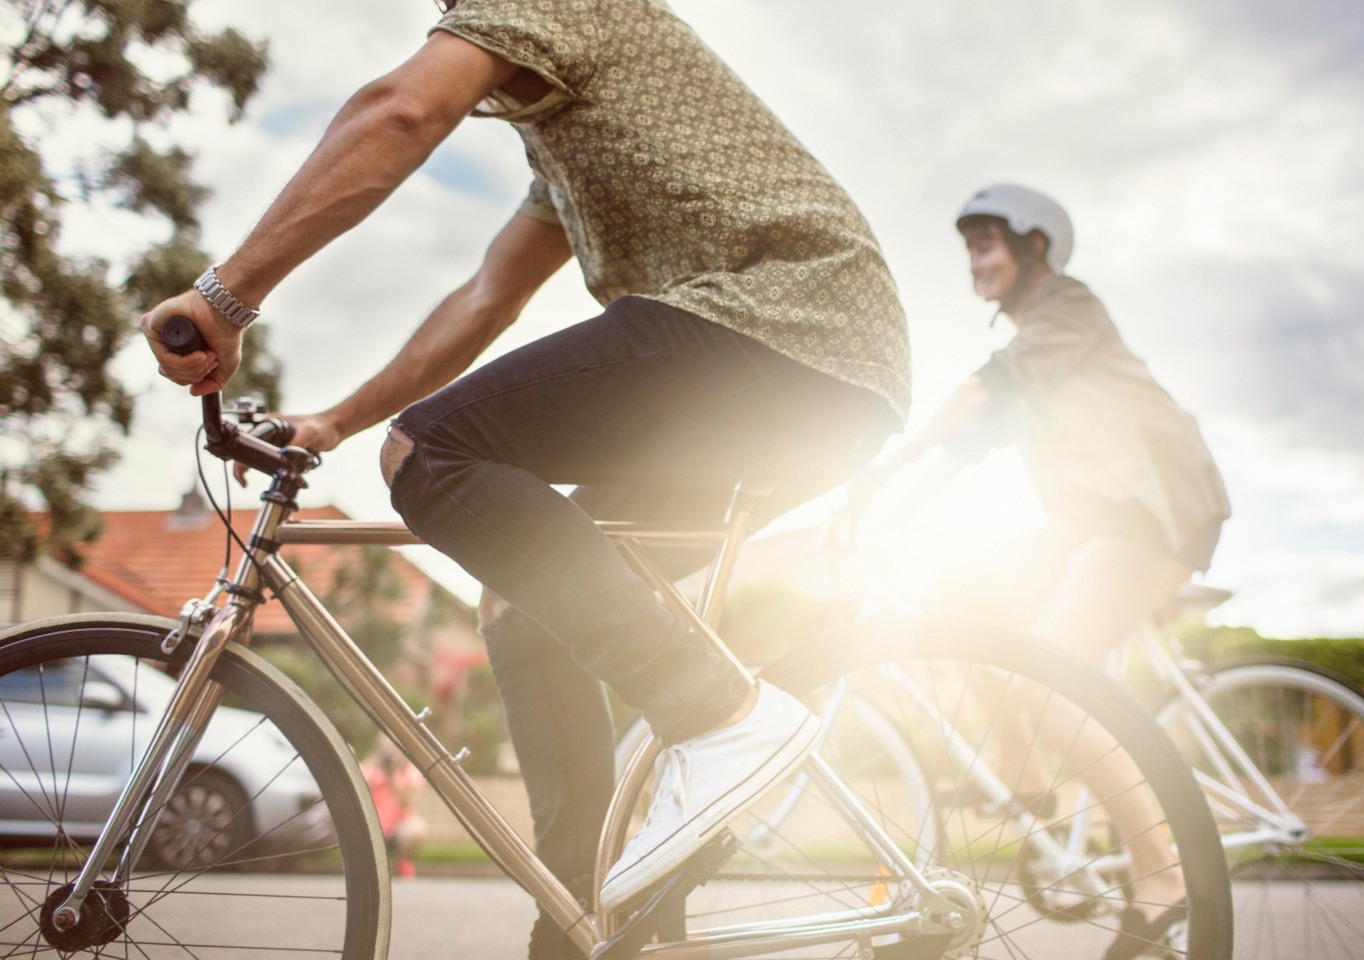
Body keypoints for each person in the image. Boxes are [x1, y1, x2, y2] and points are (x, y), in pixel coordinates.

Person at [140, 2, 910, 957]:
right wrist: (337, 421)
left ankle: (722, 715)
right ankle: (592, 914)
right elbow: (485, 298)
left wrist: (224, 297)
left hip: (783, 330)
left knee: (429, 455)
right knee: (517, 593)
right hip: (807, 373)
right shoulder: (564, 143)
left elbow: (398, 115)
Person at [862, 183, 1229, 960]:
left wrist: (902, 450)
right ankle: (1026, 780)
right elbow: (970, 445)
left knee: (1046, 674)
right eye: (969, 248)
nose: (976, 260)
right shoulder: (1036, 339)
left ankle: (1163, 879)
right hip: (1094, 521)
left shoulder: (1068, 308)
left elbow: (994, 382)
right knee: (963, 602)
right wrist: (878, 512)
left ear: (1035, 248)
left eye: (989, 243)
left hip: (1155, 508)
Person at [360, 740, 428, 879]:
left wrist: (393, 776)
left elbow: (407, 801)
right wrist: (375, 768)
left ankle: (403, 861)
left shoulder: (408, 770)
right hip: (372, 825)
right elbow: (359, 793)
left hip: (398, 827)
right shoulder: (371, 766)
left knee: (417, 829)